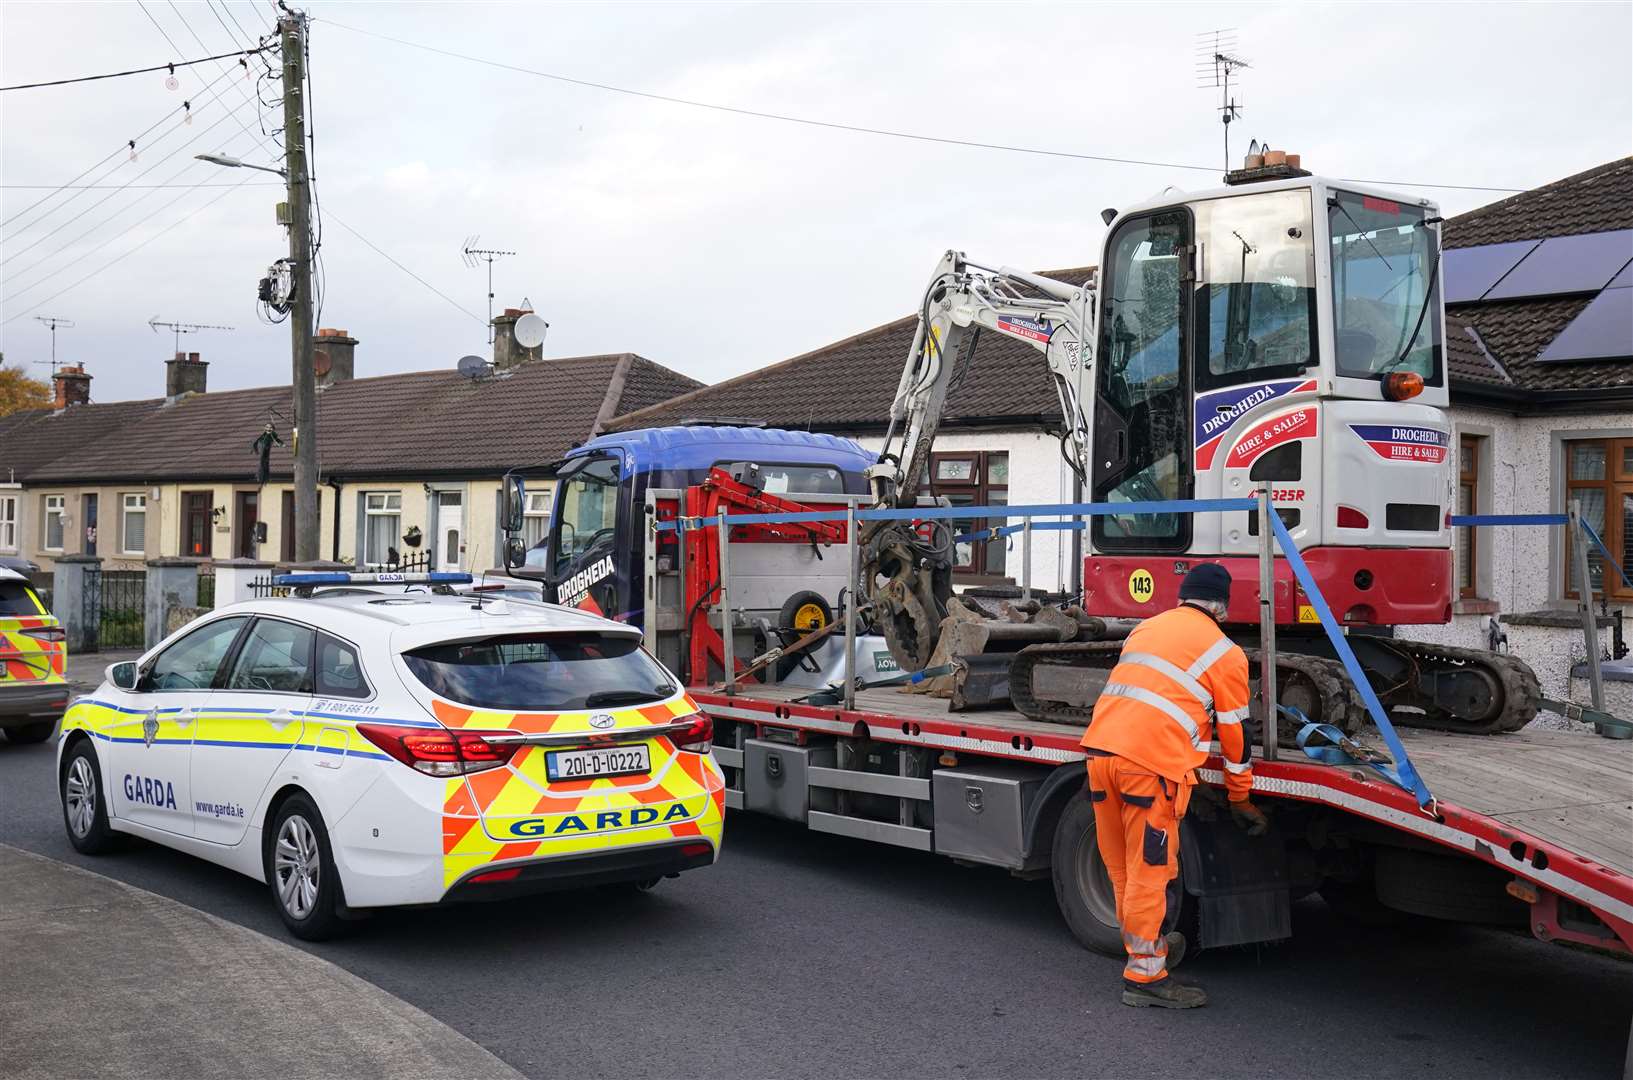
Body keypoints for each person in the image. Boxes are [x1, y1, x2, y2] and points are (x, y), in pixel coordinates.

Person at [1080, 562, 1269, 1009]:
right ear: (1222, 608)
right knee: (1150, 874)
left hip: (1101, 757)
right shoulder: (1226, 653)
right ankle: (1146, 977)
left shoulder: (1145, 630)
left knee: (1123, 869)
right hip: (1150, 768)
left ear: (1183, 597)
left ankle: (1147, 948)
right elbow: (1236, 734)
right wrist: (1240, 797)